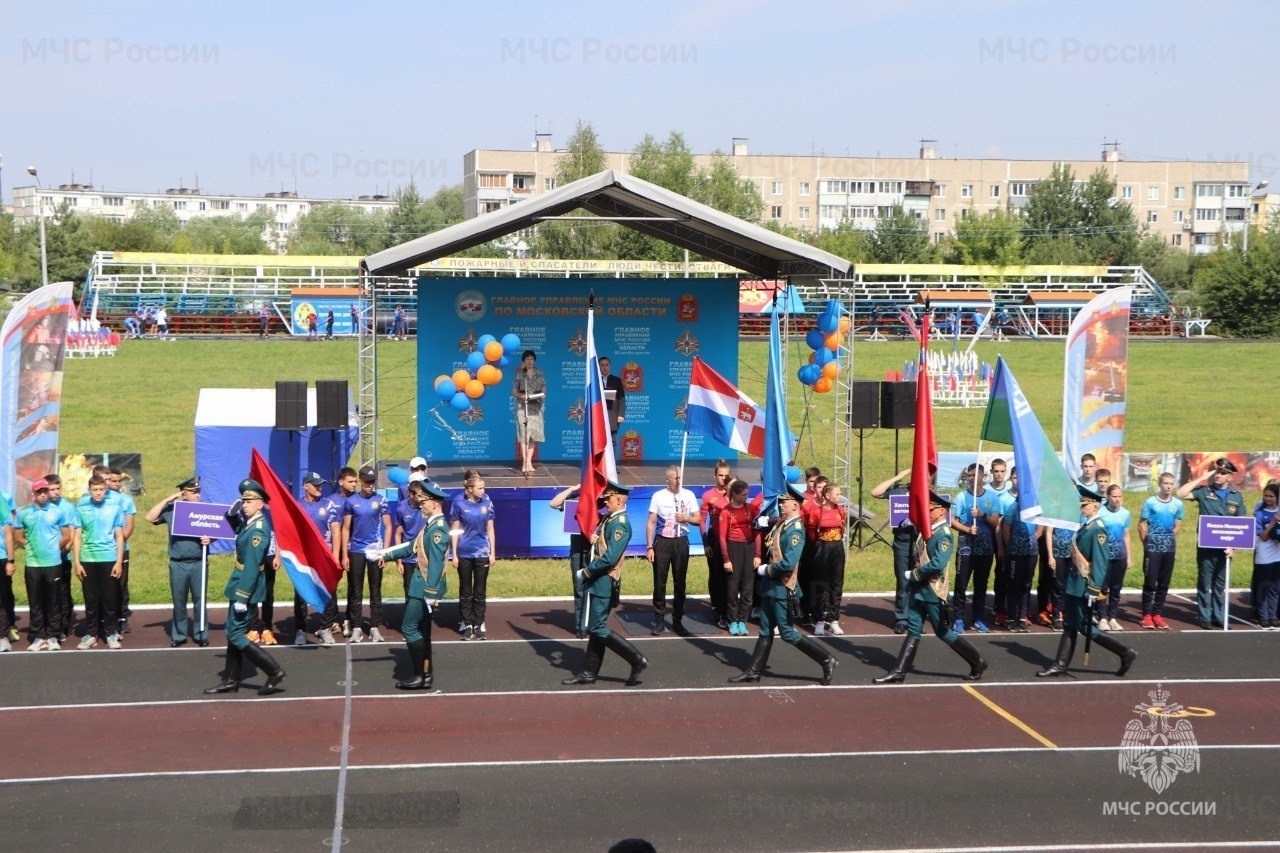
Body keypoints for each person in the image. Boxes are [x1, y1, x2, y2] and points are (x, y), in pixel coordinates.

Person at [874, 492, 988, 684]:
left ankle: (978, 661)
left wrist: (914, 574)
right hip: (919, 590)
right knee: (914, 629)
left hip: (932, 590)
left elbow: (937, 564)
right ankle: (899, 671)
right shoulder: (929, 531)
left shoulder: (944, 535)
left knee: (942, 631)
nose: (927, 511)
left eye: (931, 509)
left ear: (942, 511)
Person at [729, 484, 837, 686]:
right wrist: (759, 523)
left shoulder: (796, 531)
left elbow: (788, 563)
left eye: (783, 504)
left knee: (787, 632)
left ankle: (826, 659)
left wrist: (767, 570)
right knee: (765, 630)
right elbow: (770, 525)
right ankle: (753, 671)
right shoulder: (783, 523)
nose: (780, 507)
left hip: (783, 588)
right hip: (771, 587)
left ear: (795, 505)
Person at [1037, 485, 1136, 678]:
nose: (1081, 508)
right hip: (1075, 584)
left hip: (1085, 586)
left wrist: (1093, 588)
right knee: (1069, 625)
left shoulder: (1098, 530)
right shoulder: (1086, 526)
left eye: (1085, 505)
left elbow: (1100, 562)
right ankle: (1060, 665)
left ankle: (1125, 652)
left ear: (1095, 506)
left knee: (1083, 626)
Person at [562, 480, 648, 686]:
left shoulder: (620, 525)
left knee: (598, 627)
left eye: (608, 498)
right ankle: (589, 672)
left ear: (619, 499)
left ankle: (637, 660)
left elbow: (610, 557)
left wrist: (587, 571)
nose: (605, 502)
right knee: (595, 627)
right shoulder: (610, 520)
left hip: (604, 580)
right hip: (599, 580)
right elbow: (604, 545)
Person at [203, 479, 286, 695]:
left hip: (245, 586)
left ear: (261, 504)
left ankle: (274, 670)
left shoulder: (259, 530)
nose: (244, 504)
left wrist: (242, 597)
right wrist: (231, 516)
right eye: (243, 501)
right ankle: (230, 680)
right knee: (233, 631)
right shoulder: (250, 524)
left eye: (249, 501)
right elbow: (239, 531)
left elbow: (251, 566)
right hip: (240, 582)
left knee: (237, 634)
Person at [371, 480, 449, 690]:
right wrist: (384, 554)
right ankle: (426, 674)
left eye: (423, 502)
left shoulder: (438, 530)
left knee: (409, 628)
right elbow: (411, 547)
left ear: (433, 503)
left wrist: (431, 593)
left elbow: (436, 563)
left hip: (423, 588)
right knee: (423, 632)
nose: (419, 505)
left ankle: (419, 675)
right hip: (422, 586)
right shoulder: (431, 525)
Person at [1177, 457, 1245, 629]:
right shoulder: (1204, 491)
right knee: (1205, 582)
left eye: (1223, 473)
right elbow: (1180, 494)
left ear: (1230, 477)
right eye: (1217, 472)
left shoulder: (1236, 496)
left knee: (1220, 585)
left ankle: (1218, 616)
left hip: (1225, 549)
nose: (1218, 475)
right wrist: (1202, 477)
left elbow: (1242, 524)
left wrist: (1233, 548)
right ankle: (1205, 616)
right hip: (1207, 546)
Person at [146, 475, 211, 647]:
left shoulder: (205, 511)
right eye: (193, 492)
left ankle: (201, 634)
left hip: (199, 562)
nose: (198, 495)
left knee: (200, 600)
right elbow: (150, 518)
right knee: (179, 601)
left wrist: (210, 540)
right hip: (178, 563)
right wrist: (168, 499)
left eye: (198, 492)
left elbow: (218, 530)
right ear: (184, 494)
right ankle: (179, 635)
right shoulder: (172, 510)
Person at [15, 478, 72, 650]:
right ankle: (38, 636)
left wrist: (55, 548)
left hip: (53, 562)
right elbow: (17, 535)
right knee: (35, 601)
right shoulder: (24, 513)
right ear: (33, 493)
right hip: (32, 563)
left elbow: (67, 535)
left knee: (53, 600)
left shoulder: (57, 511)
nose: (42, 495)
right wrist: (29, 545)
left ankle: (53, 635)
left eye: (44, 492)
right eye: (39, 492)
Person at [646, 464, 702, 636]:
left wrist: (686, 518)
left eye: (680, 477)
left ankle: (678, 620)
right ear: (667, 479)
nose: (678, 481)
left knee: (680, 582)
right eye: (675, 478)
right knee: (660, 582)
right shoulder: (658, 496)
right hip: (662, 543)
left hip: (681, 542)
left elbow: (698, 519)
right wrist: (649, 547)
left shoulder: (689, 495)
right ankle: (659, 621)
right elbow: (651, 522)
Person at [72, 474, 126, 649]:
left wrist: (118, 562)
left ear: (106, 489)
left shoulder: (114, 507)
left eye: (101, 490)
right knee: (91, 599)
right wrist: (77, 562)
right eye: (95, 490)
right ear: (89, 491)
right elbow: (77, 537)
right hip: (88, 558)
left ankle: (111, 634)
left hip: (109, 558)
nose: (98, 493)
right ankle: (91, 634)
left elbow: (119, 536)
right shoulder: (81, 507)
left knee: (110, 599)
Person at [342, 465, 392, 643]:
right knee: (356, 590)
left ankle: (374, 627)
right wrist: (344, 555)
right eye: (368, 482)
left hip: (375, 551)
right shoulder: (350, 502)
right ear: (361, 481)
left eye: (373, 482)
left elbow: (388, 526)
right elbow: (346, 529)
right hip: (356, 550)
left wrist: (385, 553)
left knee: (375, 590)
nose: (371, 485)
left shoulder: (381, 500)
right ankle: (356, 627)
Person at [296, 471, 341, 645]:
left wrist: (335, 557)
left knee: (327, 592)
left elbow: (336, 531)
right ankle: (300, 629)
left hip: (324, 558)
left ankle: (326, 628)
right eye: (315, 484)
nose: (319, 487)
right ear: (306, 486)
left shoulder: (329, 505)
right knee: (301, 593)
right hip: (304, 559)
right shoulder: (298, 505)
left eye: (320, 484)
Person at [450, 471, 496, 641]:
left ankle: (479, 624)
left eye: (483, 487)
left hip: (482, 552)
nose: (483, 490)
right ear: (470, 488)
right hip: (464, 552)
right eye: (480, 488)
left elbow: (490, 529)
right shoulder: (459, 503)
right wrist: (453, 554)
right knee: (466, 590)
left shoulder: (487, 504)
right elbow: (454, 529)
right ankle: (468, 625)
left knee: (480, 590)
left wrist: (492, 553)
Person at [950, 463, 996, 633]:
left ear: (983, 477)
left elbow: (996, 522)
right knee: (961, 584)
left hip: (985, 549)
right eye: (969, 475)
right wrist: (968, 529)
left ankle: (977, 618)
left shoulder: (992, 498)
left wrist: (983, 514)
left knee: (981, 585)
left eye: (976, 475)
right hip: (965, 548)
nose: (972, 478)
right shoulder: (961, 497)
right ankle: (958, 619)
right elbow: (952, 521)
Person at [871, 467, 917, 634]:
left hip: (921, 543)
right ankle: (901, 619)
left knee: (919, 583)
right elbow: (875, 492)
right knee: (904, 582)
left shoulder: (930, 494)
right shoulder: (900, 491)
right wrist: (899, 476)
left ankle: (915, 619)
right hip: (903, 542)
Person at [317, 467, 357, 645]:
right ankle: (333, 620)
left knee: (354, 585)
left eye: (356, 481)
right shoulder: (331, 501)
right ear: (341, 482)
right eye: (350, 481)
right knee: (332, 584)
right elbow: (334, 530)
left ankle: (348, 619)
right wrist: (337, 553)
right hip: (336, 548)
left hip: (355, 549)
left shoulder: (359, 499)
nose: (354, 484)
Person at [1138, 472, 1184, 630]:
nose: (1169, 486)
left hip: (1169, 548)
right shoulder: (1150, 503)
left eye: (1171, 483)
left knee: (1164, 583)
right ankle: (1146, 616)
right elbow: (1142, 524)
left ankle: (1157, 614)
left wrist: (1168, 537)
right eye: (1166, 483)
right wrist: (1148, 542)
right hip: (1152, 548)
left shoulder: (1177, 504)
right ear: (1160, 484)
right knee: (1150, 582)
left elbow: (1178, 525)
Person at [999, 467, 1041, 633]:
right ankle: (1011, 617)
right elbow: (1005, 530)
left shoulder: (1035, 508)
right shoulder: (1012, 508)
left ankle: (1022, 617)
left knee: (1026, 584)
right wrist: (1014, 545)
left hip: (1031, 553)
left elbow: (1040, 529)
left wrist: (1029, 542)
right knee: (1014, 585)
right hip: (1015, 554)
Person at [718, 478, 760, 636]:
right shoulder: (726, 511)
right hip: (733, 548)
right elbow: (722, 537)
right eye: (743, 495)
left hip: (749, 548)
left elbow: (757, 532)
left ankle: (742, 621)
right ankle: (732, 620)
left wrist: (757, 555)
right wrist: (726, 559)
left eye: (747, 494)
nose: (746, 497)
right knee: (732, 588)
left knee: (748, 588)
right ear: (734, 494)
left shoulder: (751, 508)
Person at [549, 483, 592, 638]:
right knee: (579, 587)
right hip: (577, 551)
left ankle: (593, 624)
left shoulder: (600, 500)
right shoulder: (574, 500)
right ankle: (581, 626)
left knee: (594, 589)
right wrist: (572, 489)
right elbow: (553, 503)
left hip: (596, 551)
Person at [808, 483, 848, 636]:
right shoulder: (817, 512)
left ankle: (833, 620)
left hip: (837, 547)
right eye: (837, 494)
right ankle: (819, 619)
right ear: (827, 495)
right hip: (822, 547)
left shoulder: (841, 511)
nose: (840, 496)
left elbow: (842, 528)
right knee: (820, 583)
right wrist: (819, 546)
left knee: (836, 583)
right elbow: (811, 533)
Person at [102, 467, 137, 633]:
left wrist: (119, 543)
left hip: (121, 548)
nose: (115, 484)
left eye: (117, 481)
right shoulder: (102, 498)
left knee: (121, 585)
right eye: (111, 480)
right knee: (105, 585)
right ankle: (106, 617)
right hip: (103, 549)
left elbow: (129, 527)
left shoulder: (126, 500)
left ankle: (123, 617)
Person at [699, 460, 733, 630]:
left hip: (731, 540)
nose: (723, 479)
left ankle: (728, 609)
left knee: (729, 575)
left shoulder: (734, 494)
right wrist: (706, 543)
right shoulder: (708, 496)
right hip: (714, 539)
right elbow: (702, 521)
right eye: (720, 475)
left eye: (726, 476)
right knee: (715, 575)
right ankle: (715, 606)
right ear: (715, 476)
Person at [1097, 484, 1134, 631]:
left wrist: (1129, 557)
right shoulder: (1100, 512)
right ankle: (1102, 618)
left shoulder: (1125, 513)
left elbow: (1126, 536)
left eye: (1119, 496)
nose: (1117, 499)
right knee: (1103, 588)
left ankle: (1112, 618)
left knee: (1116, 588)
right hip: (1104, 556)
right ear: (1108, 497)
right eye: (1114, 496)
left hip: (1120, 556)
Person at [513, 350, 546, 478]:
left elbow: (544, 390)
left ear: (534, 360)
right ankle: (524, 462)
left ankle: (529, 461)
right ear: (524, 361)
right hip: (523, 406)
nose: (529, 361)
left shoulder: (540, 373)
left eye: (531, 359)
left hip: (536, 407)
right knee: (524, 433)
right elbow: (514, 391)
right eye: (527, 359)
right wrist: (522, 396)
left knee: (533, 435)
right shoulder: (520, 374)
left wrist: (540, 396)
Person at [1252, 482, 1280, 629]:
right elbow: (1262, 536)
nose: (1268, 499)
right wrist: (1273, 523)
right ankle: (1262, 615)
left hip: (1278, 553)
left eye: (1271, 496)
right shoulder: (1260, 513)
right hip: (1264, 553)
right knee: (1264, 585)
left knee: (1275, 587)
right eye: (1266, 496)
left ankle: (1273, 615)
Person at [598, 356, 626, 444]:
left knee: (612, 442)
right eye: (602, 365)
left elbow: (621, 399)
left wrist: (620, 415)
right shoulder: (594, 381)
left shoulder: (617, 380)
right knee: (598, 443)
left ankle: (611, 458)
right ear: (598, 367)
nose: (604, 367)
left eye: (606, 365)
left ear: (610, 366)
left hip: (612, 417)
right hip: (598, 417)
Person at [0, 495, 14, 651]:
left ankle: (2, 637)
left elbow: (9, 534)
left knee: (2, 599)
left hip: (1, 557)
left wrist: (11, 560)